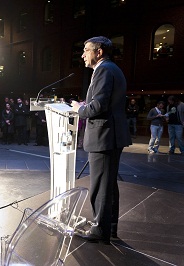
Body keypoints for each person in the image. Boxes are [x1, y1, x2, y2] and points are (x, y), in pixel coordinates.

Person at [71, 36, 131, 243]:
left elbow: (99, 106)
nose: (83, 54)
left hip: (104, 135)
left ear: (99, 52)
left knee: (100, 185)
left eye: (86, 50)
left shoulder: (104, 69)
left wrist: (81, 109)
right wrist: (86, 104)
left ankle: (100, 230)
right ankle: (109, 226)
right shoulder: (113, 69)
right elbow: (103, 101)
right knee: (108, 184)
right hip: (110, 135)